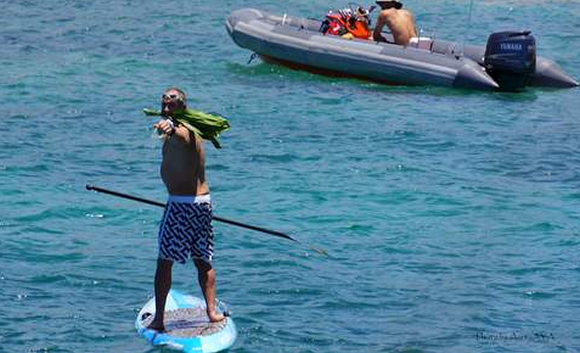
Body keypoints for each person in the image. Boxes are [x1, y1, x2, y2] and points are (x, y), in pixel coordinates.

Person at [147, 87, 225, 332]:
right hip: (202, 205)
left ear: (183, 107)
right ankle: (212, 312)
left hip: (181, 206)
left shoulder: (182, 131)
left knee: (164, 262)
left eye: (172, 105)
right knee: (202, 258)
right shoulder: (195, 131)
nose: (166, 108)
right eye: (164, 104)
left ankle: (159, 319)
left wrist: (167, 126)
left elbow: (176, 133)